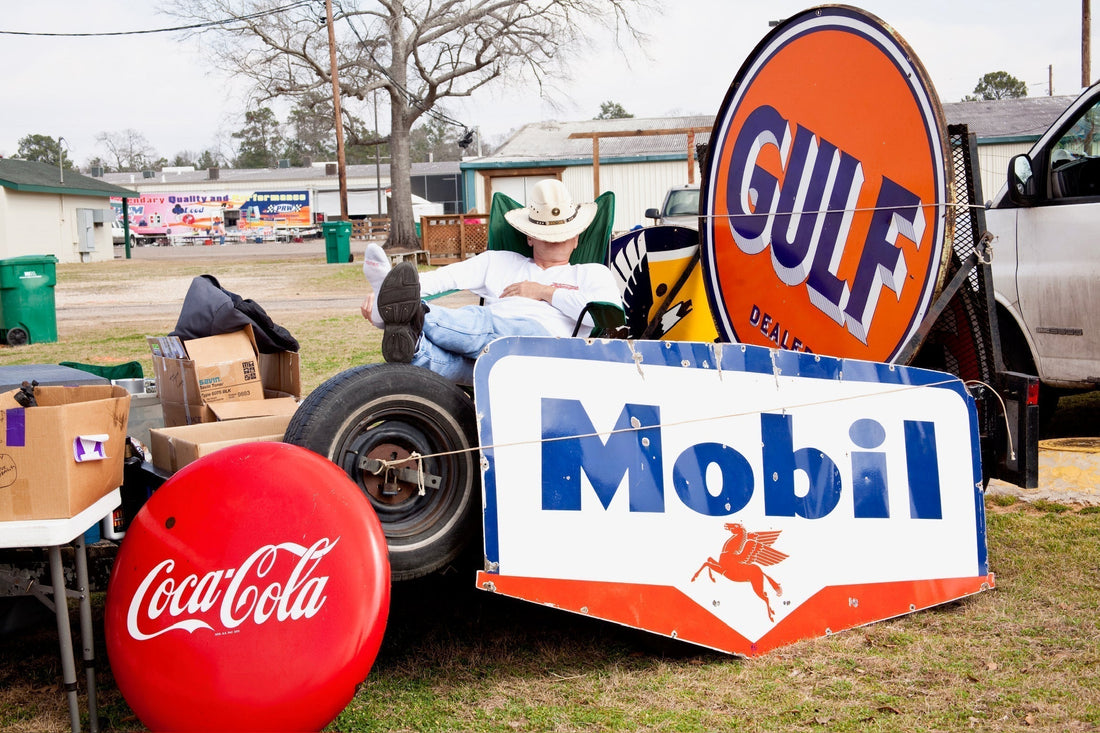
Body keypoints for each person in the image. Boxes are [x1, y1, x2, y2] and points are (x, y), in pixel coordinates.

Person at [360, 179, 621, 383]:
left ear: (577, 238)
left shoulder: (591, 273)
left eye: (562, 234)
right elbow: (442, 278)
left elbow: (604, 318)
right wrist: (391, 291)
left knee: (487, 324)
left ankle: (412, 313)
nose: (554, 239)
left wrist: (544, 292)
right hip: (490, 362)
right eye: (545, 233)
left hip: (546, 349)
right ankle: (409, 334)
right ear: (529, 236)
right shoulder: (499, 262)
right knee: (432, 358)